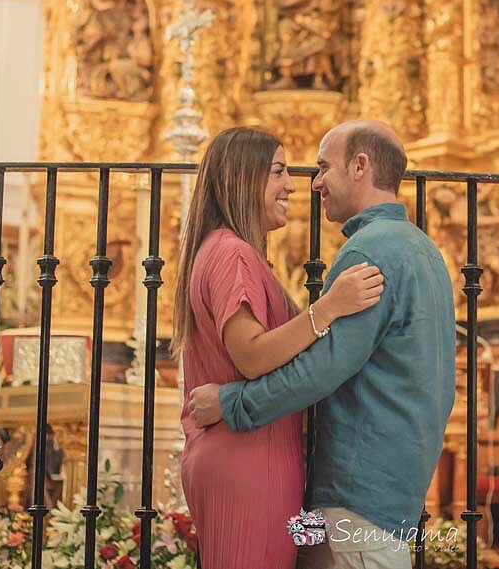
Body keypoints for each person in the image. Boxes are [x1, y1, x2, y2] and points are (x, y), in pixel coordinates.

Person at [187, 120, 456, 569]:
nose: (312, 185)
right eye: (283, 173)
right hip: (383, 493)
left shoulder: (368, 253)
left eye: (322, 168)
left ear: (360, 166)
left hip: (353, 495)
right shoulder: (423, 250)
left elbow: (318, 371)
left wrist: (230, 402)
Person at [173, 127, 386, 569]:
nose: (293, 184)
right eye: (278, 172)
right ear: (242, 179)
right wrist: (327, 309)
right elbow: (250, 356)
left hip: (245, 454)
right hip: (248, 458)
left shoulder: (222, 250)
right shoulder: (232, 254)